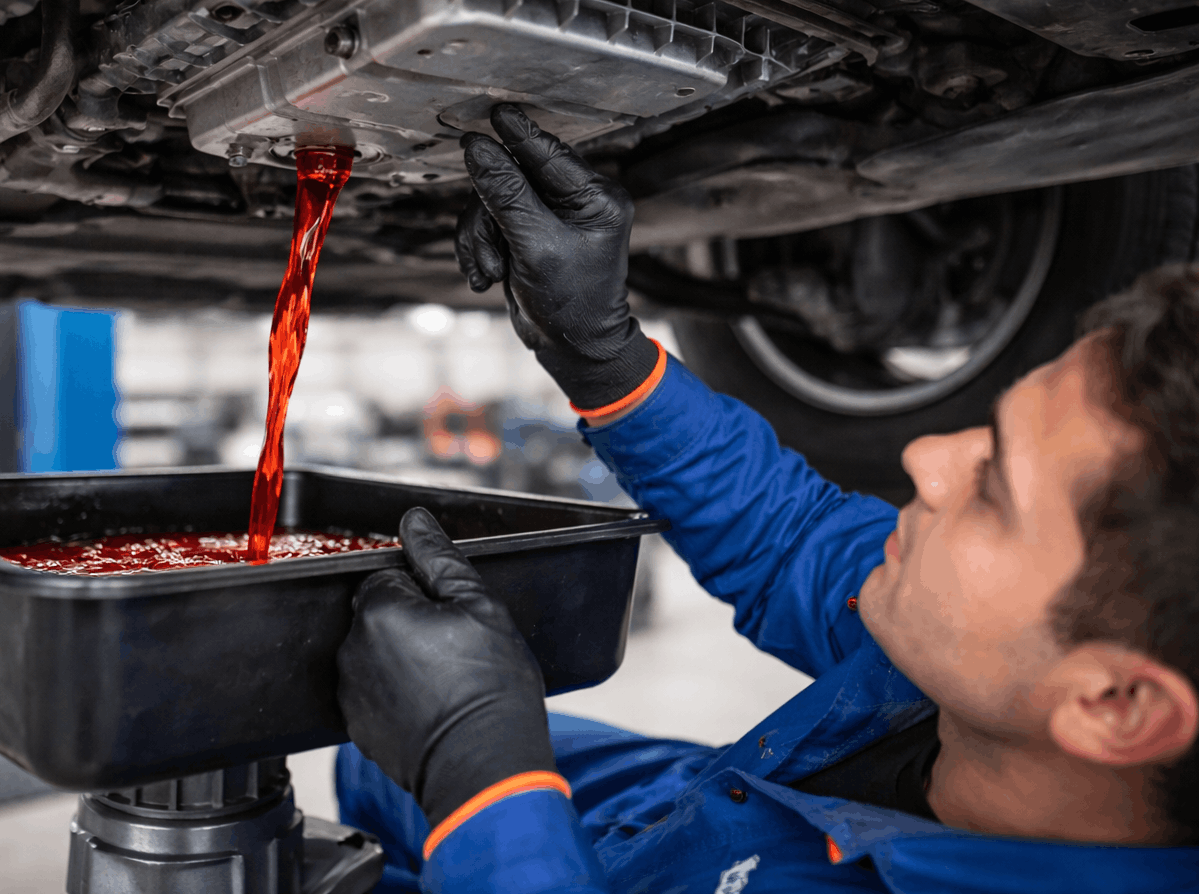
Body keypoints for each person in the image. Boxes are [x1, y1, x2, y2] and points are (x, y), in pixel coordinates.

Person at [332, 105, 1199, 893]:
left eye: (996, 491)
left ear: (1115, 706)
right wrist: (599, 353)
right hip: (691, 812)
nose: (927, 456)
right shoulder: (973, 654)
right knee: (368, 757)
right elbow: (794, 537)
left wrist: (486, 780)